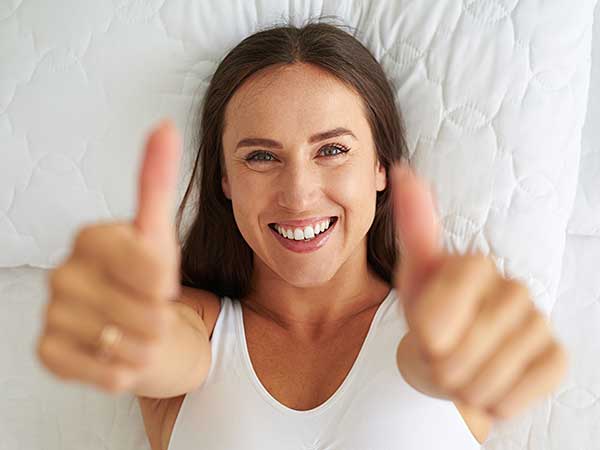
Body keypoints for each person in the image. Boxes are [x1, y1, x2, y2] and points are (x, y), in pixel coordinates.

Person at [36, 20, 567, 450]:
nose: (298, 193)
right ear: (224, 181)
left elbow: (430, 363)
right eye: (261, 157)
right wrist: (122, 332)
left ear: (380, 166)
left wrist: (470, 348)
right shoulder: (195, 328)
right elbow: (157, 345)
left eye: (332, 150)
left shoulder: (429, 335)